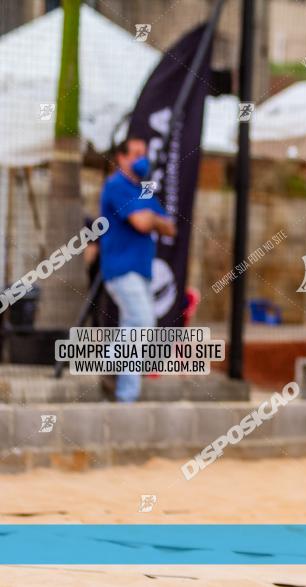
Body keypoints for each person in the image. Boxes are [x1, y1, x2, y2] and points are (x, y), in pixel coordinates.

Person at [100, 137, 176, 402]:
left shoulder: (143, 191)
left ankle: (126, 396)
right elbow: (143, 223)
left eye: (143, 153)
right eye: (134, 154)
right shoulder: (116, 185)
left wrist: (152, 219)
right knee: (143, 323)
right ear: (121, 158)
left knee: (137, 331)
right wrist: (153, 220)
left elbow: (170, 227)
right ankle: (108, 362)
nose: (141, 159)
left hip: (142, 272)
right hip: (121, 270)